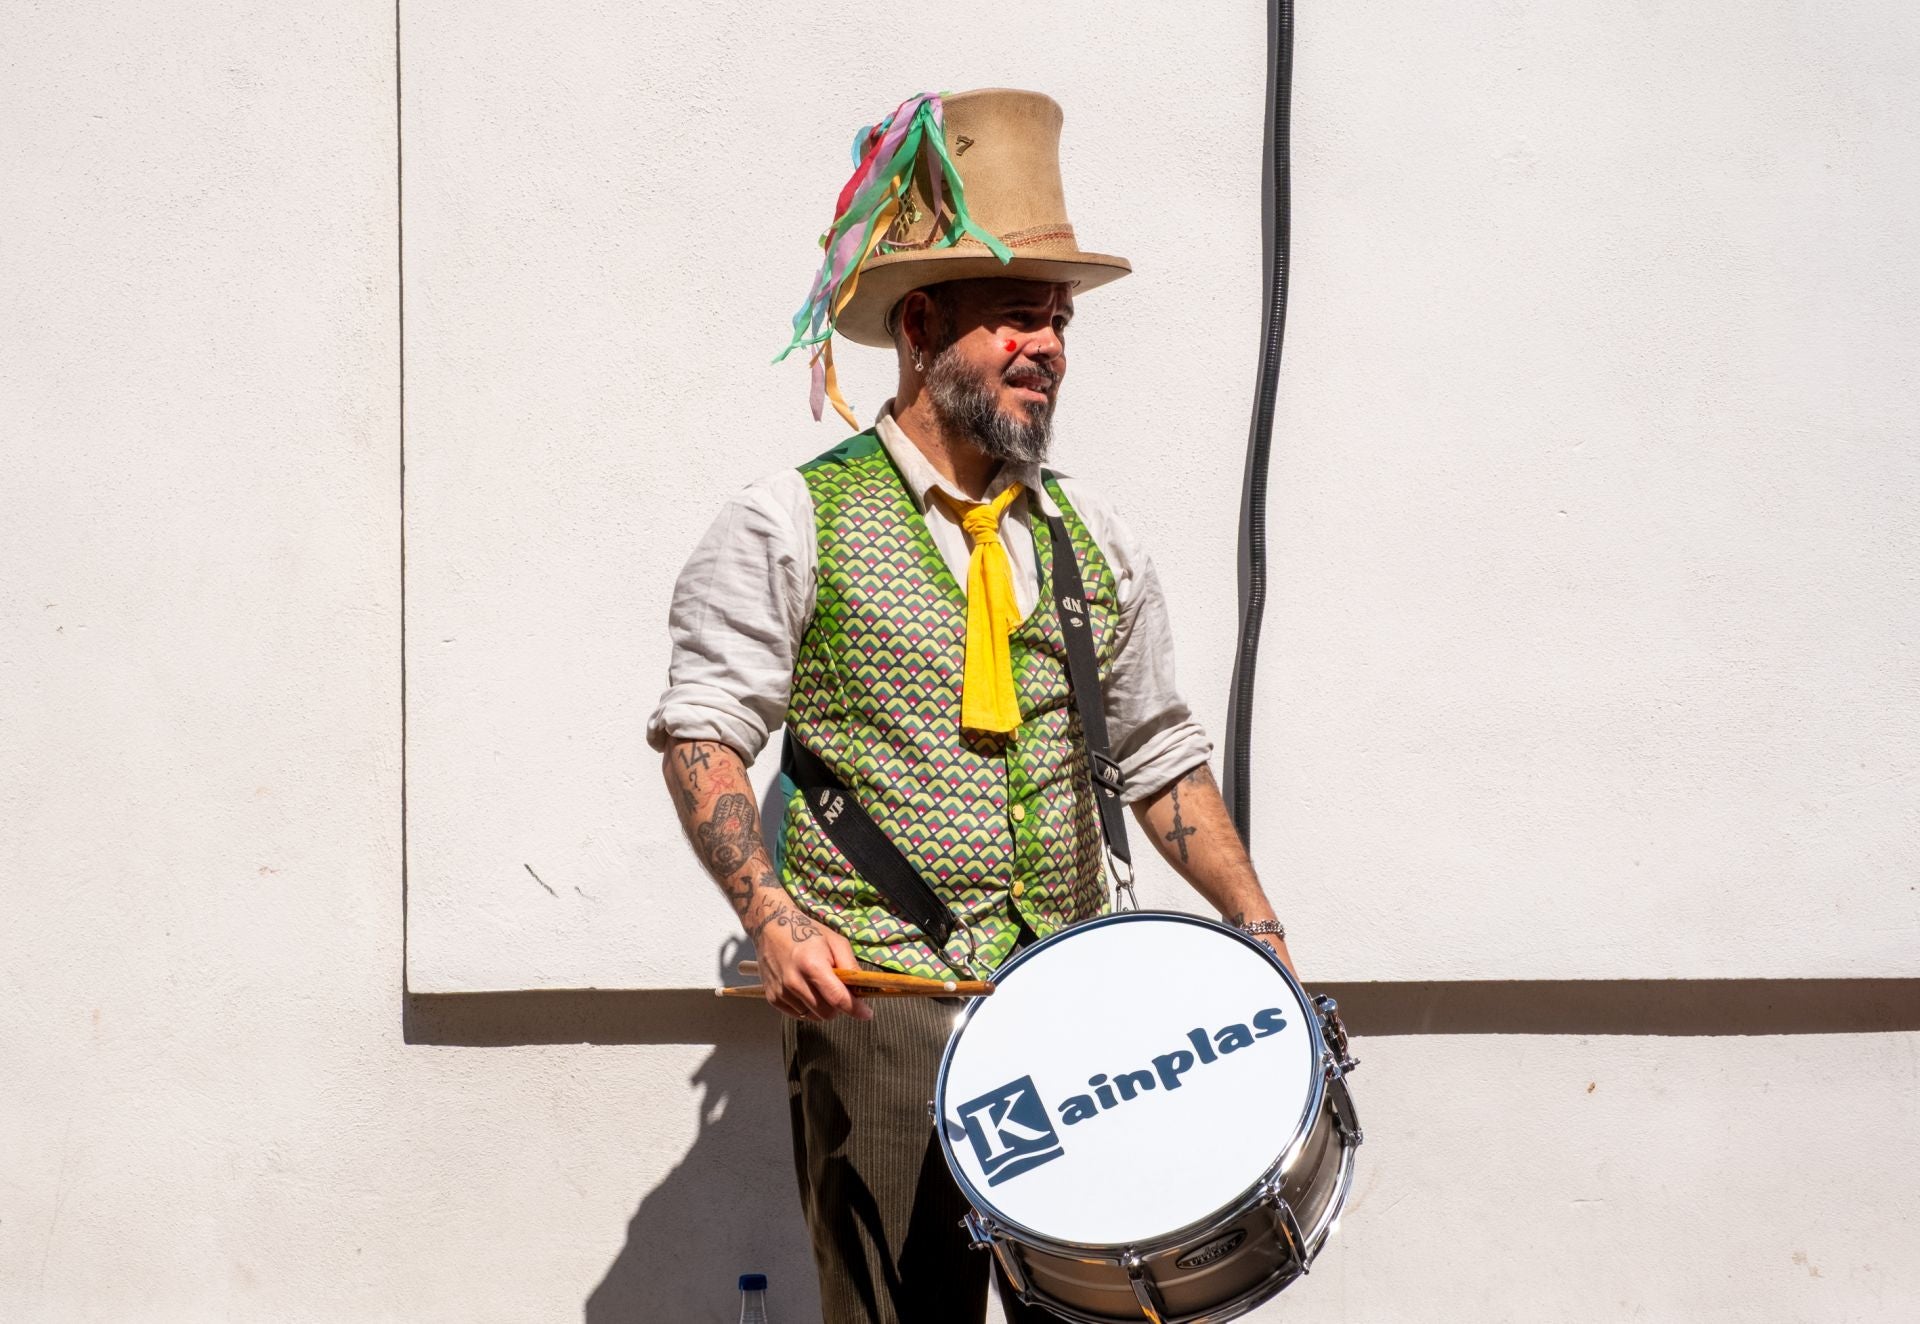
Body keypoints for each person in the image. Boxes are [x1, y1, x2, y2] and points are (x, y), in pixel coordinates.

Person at [649, 88, 1294, 1324]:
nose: (1046, 344)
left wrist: (1255, 922)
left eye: (1057, 320)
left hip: (1079, 1003)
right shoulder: (787, 519)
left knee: (1115, 1310)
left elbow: (1161, 754)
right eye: (1015, 318)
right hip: (885, 1012)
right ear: (925, 323)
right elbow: (705, 734)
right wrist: (771, 914)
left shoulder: (1091, 535)